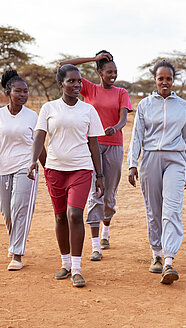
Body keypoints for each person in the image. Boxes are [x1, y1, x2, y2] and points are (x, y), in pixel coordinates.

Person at [28, 64, 105, 288]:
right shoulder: (48, 108)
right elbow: (40, 137)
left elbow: (94, 143)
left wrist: (99, 175)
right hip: (54, 170)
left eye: (79, 81)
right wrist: (33, 161)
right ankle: (65, 263)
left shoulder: (88, 110)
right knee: (60, 216)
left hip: (81, 169)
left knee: (74, 215)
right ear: (60, 84)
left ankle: (77, 269)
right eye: (71, 81)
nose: (76, 85)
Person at [60, 51, 132, 260]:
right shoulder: (89, 88)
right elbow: (64, 65)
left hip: (114, 145)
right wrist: (93, 58)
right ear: (100, 73)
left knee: (108, 196)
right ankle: (95, 246)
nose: (113, 75)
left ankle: (106, 231)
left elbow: (123, 119)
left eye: (115, 72)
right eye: (109, 71)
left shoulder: (121, 92)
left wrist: (114, 128)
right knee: (95, 193)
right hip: (91, 146)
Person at [128, 60, 186, 285]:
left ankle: (169, 260)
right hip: (150, 158)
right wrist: (132, 164)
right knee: (154, 209)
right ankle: (156, 253)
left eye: (168, 79)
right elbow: (137, 135)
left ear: (173, 81)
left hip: (175, 159)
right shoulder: (145, 105)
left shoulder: (182, 105)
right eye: (160, 78)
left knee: (172, 209)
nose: (165, 82)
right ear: (155, 80)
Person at [0, 70, 46, 271]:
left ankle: (17, 254)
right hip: (3, 169)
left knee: (20, 209)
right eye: (18, 91)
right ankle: (15, 241)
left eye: (26, 91)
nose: (23, 95)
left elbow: (39, 145)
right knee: (7, 210)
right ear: (8, 93)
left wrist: (48, 168)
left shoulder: (32, 116)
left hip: (26, 168)